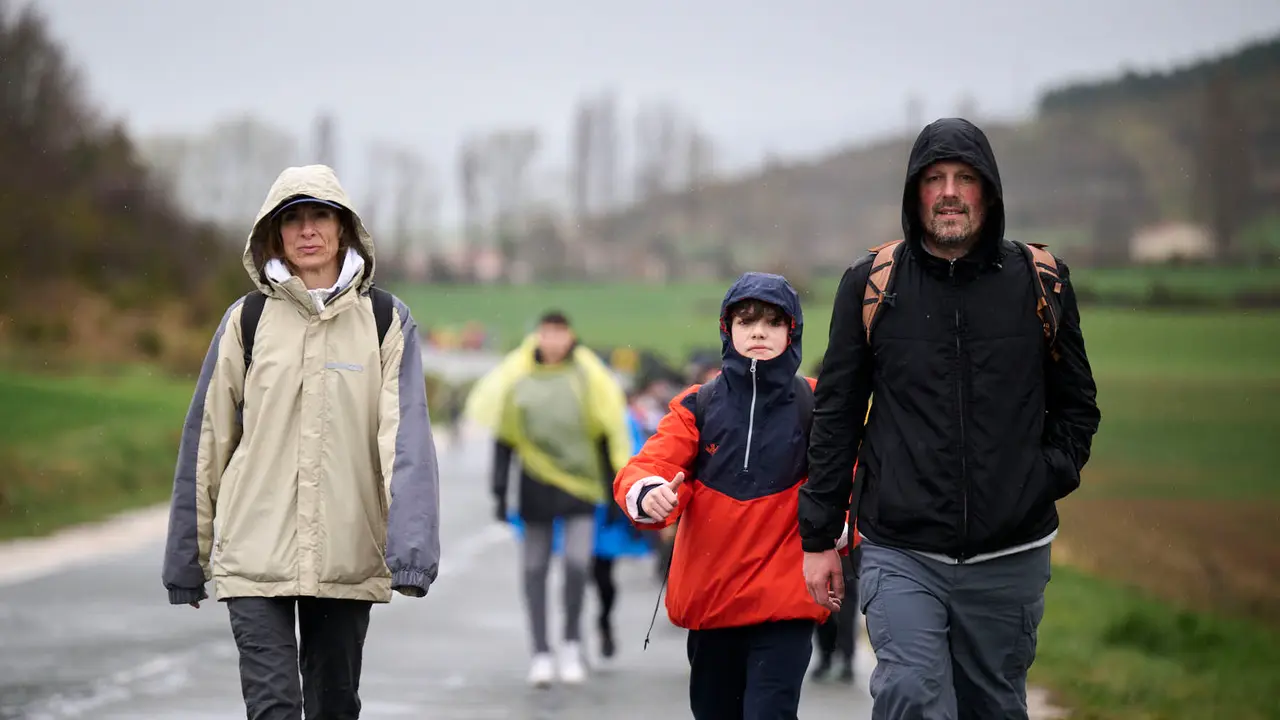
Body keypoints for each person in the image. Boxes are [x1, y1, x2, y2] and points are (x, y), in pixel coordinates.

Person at [799, 118, 1101, 719]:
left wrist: (1038, 478)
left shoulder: (1040, 282)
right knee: (910, 696)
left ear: (988, 191)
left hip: (1010, 553)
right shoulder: (870, 286)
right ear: (915, 194)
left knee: (992, 705)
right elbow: (835, 414)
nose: (949, 192)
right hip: (899, 547)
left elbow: (1078, 406)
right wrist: (819, 537)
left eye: (965, 178)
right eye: (934, 179)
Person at [161, 164, 441, 719]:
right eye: (293, 219)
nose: (307, 230)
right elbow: (207, 439)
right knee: (274, 708)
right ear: (274, 233)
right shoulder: (247, 320)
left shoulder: (386, 320)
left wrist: (412, 551)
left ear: (344, 229)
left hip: (346, 550)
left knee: (334, 707)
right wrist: (185, 557)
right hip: (253, 550)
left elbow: (405, 440)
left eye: (320, 217)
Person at [615, 272, 846, 720]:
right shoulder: (696, 407)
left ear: (792, 331)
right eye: (746, 321)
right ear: (728, 330)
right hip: (712, 603)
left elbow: (853, 479)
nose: (758, 331)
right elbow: (647, 467)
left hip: (786, 606)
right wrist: (648, 495)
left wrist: (835, 530)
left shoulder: (818, 405)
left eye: (773, 322)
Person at [464, 311, 632, 687]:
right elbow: (505, 439)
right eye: (547, 333)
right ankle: (541, 651)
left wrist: (613, 490)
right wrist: (498, 490)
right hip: (535, 483)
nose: (553, 341)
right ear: (537, 336)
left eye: (560, 333)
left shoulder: (588, 380)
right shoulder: (520, 379)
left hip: (583, 485)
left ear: (570, 336)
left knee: (577, 563)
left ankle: (572, 642)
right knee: (534, 569)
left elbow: (607, 433)